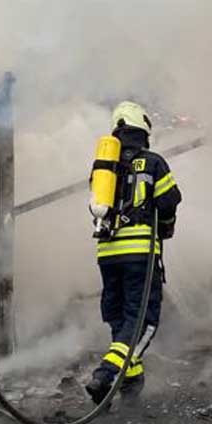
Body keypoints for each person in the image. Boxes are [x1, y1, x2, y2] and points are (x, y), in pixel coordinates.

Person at [84, 101, 182, 406]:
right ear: (144, 130)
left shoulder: (104, 169)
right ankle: (107, 374)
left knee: (120, 316)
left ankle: (131, 379)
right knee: (143, 321)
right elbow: (168, 201)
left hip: (108, 252)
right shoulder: (153, 162)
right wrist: (166, 226)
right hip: (140, 252)